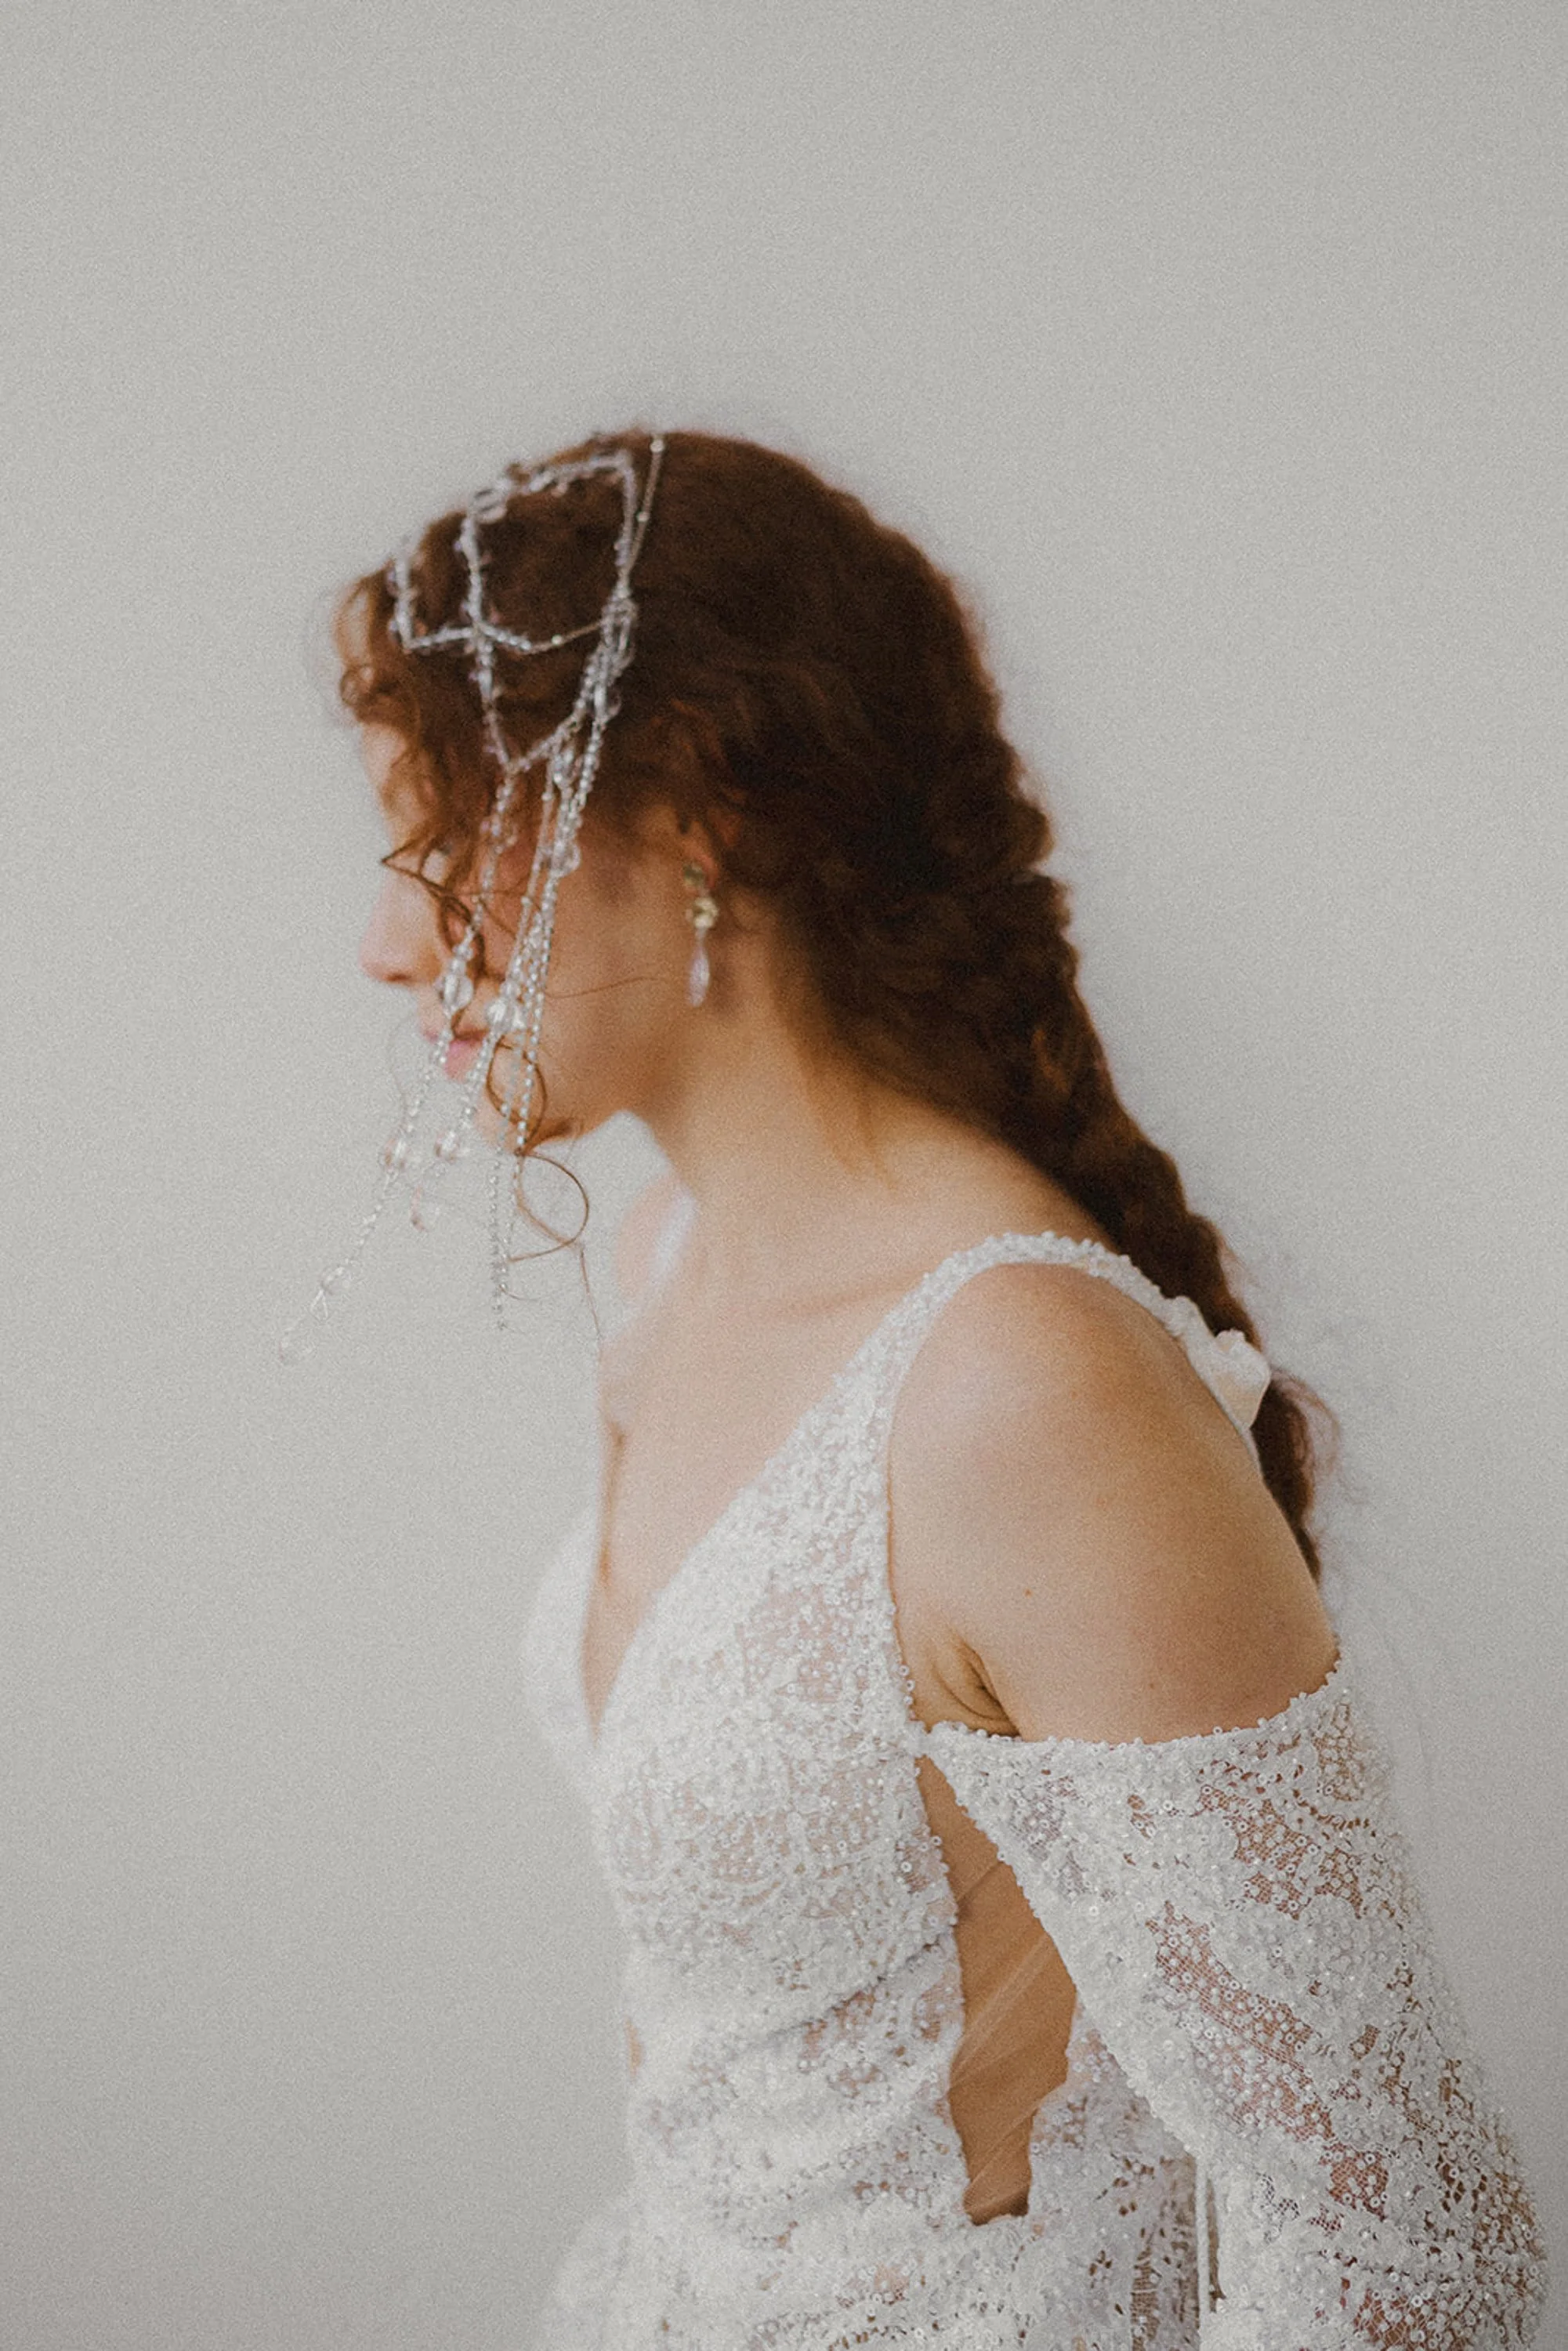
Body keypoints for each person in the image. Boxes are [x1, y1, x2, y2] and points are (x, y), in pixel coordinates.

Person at [337, 431, 1544, 2346]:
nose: (390, 938)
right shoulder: (673, 1273)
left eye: (447, 826)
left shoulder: (1019, 1389)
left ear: (698, 815)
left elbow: (1405, 2257)